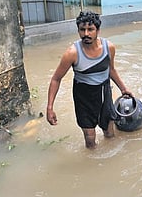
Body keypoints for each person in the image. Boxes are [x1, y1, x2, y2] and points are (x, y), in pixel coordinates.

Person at [46, 11, 133, 148]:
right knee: (90, 139)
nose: (86, 34)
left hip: (104, 94)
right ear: (78, 30)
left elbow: (111, 70)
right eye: (82, 29)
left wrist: (123, 89)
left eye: (90, 29)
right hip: (83, 97)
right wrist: (50, 107)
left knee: (109, 133)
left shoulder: (108, 47)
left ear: (97, 30)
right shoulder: (72, 53)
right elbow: (56, 79)